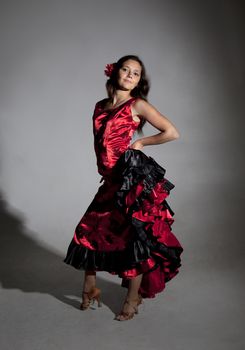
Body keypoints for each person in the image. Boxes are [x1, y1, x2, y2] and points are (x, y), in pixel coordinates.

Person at [64, 54, 183, 321]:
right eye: (126, 70)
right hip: (110, 180)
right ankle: (90, 288)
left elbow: (171, 132)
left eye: (136, 73)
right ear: (115, 73)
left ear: (139, 80)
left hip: (130, 180)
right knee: (89, 231)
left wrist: (140, 143)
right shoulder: (99, 106)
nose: (130, 75)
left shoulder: (137, 104)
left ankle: (132, 298)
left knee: (132, 238)